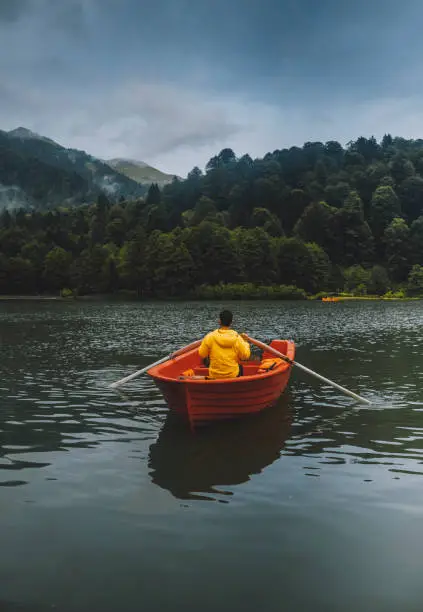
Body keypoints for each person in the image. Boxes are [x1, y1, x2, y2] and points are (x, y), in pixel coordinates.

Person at [198, 309, 251, 379]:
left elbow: (202, 354)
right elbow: (245, 356)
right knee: (240, 367)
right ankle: (238, 385)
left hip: (214, 375)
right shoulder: (237, 338)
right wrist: (245, 342)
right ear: (231, 322)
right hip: (232, 375)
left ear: (219, 321)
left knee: (207, 360)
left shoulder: (210, 336)